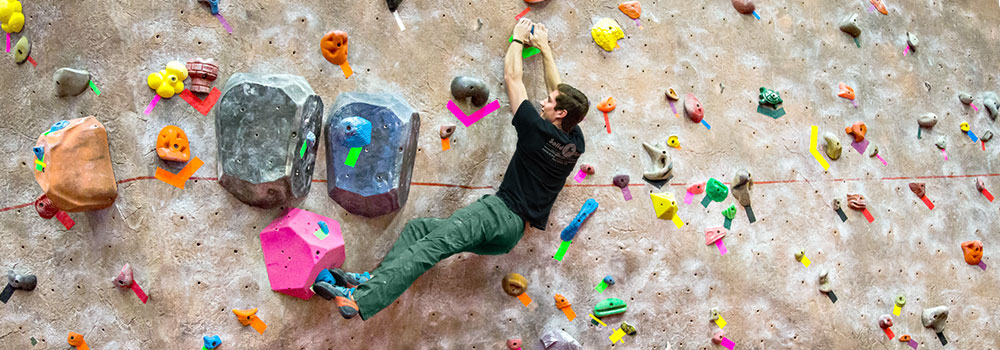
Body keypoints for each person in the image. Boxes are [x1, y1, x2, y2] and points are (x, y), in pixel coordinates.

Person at [313, 18, 590, 321]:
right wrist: (546, 48)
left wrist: (518, 39)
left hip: (498, 214)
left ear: (560, 113)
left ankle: (361, 300)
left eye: (549, 102)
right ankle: (374, 279)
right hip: (510, 234)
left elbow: (513, 78)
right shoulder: (574, 143)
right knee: (419, 231)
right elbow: (559, 91)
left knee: (432, 247)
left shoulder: (535, 129)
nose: (543, 101)